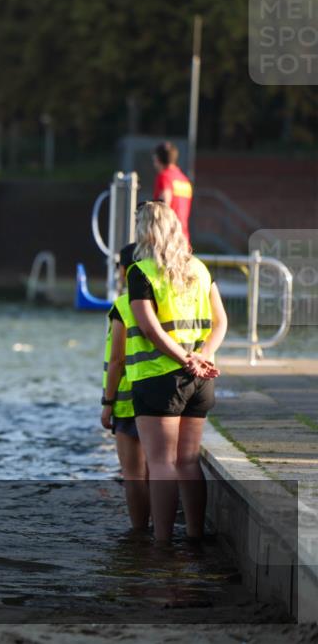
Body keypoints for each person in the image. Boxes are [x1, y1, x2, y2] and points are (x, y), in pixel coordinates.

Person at [127, 200, 227, 542]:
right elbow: (221, 321)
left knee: (161, 464)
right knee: (187, 462)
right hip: (200, 381)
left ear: (144, 231)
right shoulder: (199, 268)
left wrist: (186, 359)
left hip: (159, 379)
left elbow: (152, 330)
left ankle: (162, 545)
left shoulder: (140, 271)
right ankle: (196, 537)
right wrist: (204, 356)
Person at [101, 243, 149, 531]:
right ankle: (163, 532)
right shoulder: (163, 300)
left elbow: (117, 360)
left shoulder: (124, 304)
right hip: (162, 395)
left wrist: (107, 403)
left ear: (124, 269)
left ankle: (140, 535)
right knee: (157, 470)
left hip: (129, 399)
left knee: (133, 475)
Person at [152, 141, 193, 243]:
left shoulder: (164, 176)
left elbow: (164, 203)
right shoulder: (184, 180)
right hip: (183, 238)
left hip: (168, 239)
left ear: (157, 159)